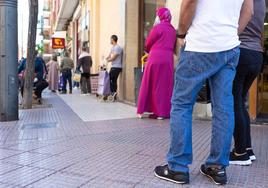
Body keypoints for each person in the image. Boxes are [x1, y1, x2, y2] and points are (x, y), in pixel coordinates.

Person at [154, 0, 253, 185]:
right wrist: (229, 35)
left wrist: (181, 32)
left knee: (182, 104)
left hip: (199, 45)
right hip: (229, 48)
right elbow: (249, 11)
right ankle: (217, 167)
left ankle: (177, 167)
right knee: (224, 107)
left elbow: (190, 2)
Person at [229, 0, 266, 166]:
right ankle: (247, 149)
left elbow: (244, 15)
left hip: (241, 51)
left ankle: (240, 153)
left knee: (235, 102)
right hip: (256, 54)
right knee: (241, 102)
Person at [137, 8, 176, 120]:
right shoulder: (173, 30)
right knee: (164, 85)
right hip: (168, 58)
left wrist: (149, 49)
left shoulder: (157, 28)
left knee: (149, 82)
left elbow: (148, 43)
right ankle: (162, 113)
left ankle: (142, 110)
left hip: (155, 57)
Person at [106, 35, 123, 100]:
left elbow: (114, 57)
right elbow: (109, 55)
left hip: (116, 67)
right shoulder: (113, 47)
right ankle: (114, 93)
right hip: (114, 66)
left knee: (109, 79)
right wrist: (105, 59)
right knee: (113, 80)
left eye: (110, 39)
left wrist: (108, 60)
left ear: (113, 40)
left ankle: (113, 92)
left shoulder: (117, 48)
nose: (110, 41)